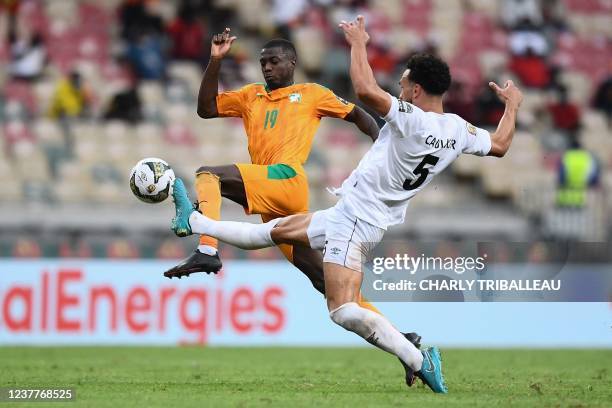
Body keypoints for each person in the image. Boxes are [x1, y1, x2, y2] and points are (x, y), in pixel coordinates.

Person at [167, 16, 522, 393]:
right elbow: (499, 145)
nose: (399, 88)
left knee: (340, 309)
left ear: (416, 91)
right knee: (266, 236)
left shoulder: (411, 120)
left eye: (402, 83)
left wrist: (358, 42)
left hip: (355, 218)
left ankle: (420, 359)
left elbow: (366, 91)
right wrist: (512, 105)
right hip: (353, 215)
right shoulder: (457, 129)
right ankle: (199, 225)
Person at [164, 28, 385, 317]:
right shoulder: (250, 95)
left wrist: (382, 145)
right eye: (263, 63)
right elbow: (206, 109)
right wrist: (215, 60)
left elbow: (358, 114)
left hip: (287, 178)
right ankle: (405, 342)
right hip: (273, 198)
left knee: (209, 175)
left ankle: (207, 250)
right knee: (327, 283)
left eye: (274, 61)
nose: (267, 67)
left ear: (292, 63)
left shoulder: (311, 94)